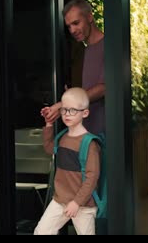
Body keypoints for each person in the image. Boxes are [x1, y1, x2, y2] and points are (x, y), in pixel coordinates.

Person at [34, 87, 100, 235]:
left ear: (85, 113)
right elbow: (50, 149)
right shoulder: (63, 137)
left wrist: (77, 203)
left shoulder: (89, 144)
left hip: (83, 205)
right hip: (60, 200)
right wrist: (49, 125)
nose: (67, 114)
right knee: (42, 231)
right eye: (64, 110)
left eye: (72, 110)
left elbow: (92, 177)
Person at [42, 0, 105, 135]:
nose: (72, 30)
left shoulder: (107, 46)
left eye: (76, 23)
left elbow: (103, 88)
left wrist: (65, 104)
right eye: (69, 26)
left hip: (104, 133)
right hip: (86, 131)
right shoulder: (85, 50)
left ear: (89, 17)